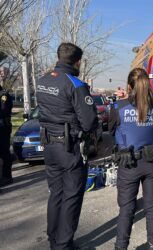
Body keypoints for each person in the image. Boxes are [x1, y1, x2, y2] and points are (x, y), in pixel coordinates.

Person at [36, 43, 98, 249]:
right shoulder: (76, 85)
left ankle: (54, 238)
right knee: (71, 196)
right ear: (77, 61)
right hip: (70, 148)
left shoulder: (42, 80)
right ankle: (63, 245)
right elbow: (89, 122)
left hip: (49, 146)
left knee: (56, 194)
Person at [109, 68, 153, 250]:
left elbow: (111, 129)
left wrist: (124, 98)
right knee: (152, 207)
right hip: (152, 162)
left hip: (129, 164)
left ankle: (121, 247)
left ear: (129, 86)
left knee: (127, 210)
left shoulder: (118, 106)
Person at [0, 84, 13, 187]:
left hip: (3, 128)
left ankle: (7, 176)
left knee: (4, 152)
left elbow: (3, 110)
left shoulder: (3, 95)